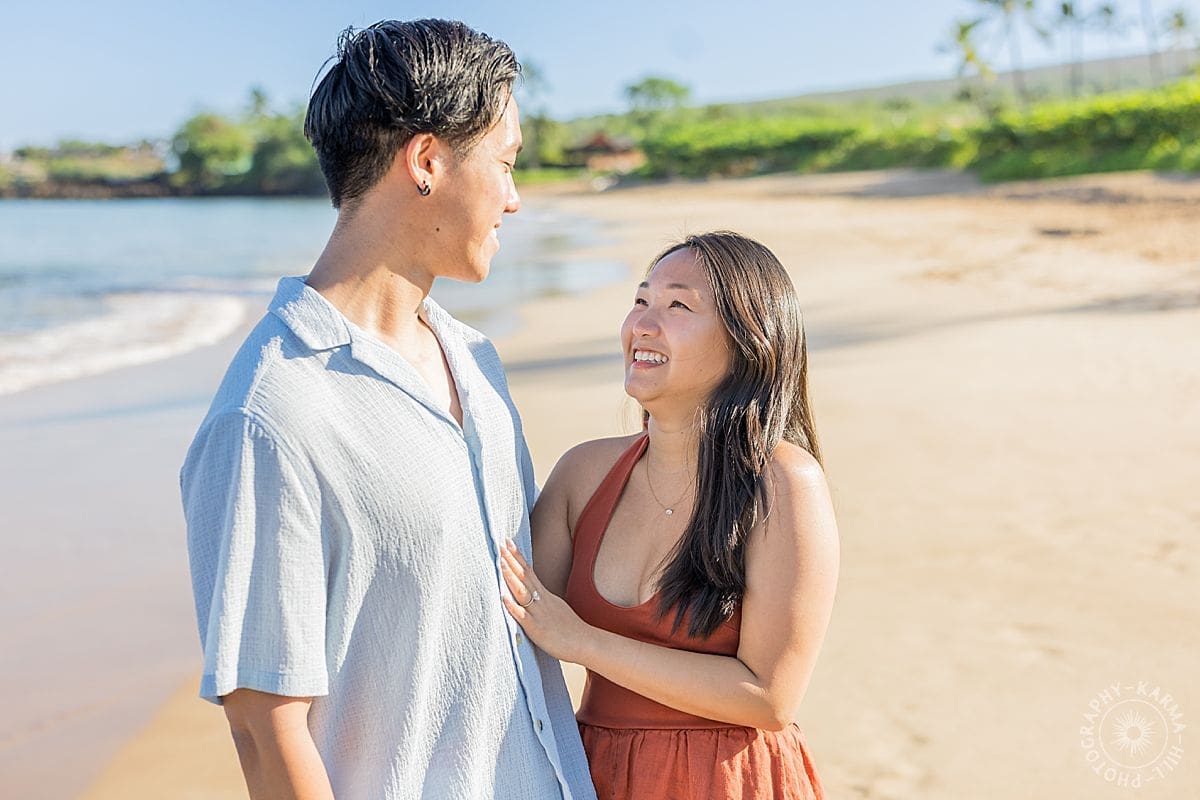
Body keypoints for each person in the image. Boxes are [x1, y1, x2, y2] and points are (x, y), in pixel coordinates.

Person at [181, 19, 595, 800]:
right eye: (506, 164)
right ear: (428, 160)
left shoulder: (474, 360)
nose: (514, 200)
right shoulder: (271, 413)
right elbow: (265, 732)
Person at [500, 231, 838, 799]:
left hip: (726, 781)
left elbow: (769, 697)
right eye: (640, 301)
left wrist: (582, 642)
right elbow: (505, 626)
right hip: (592, 773)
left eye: (678, 305)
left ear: (748, 340)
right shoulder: (583, 474)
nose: (643, 324)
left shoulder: (782, 482)